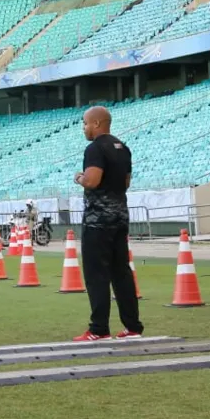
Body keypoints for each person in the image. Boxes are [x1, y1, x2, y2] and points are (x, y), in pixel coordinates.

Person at [73, 106, 143, 342]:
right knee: (121, 272)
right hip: (120, 217)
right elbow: (126, 183)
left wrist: (78, 178)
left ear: (96, 123)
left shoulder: (94, 148)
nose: (83, 128)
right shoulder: (123, 148)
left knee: (97, 274)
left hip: (98, 221)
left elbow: (92, 181)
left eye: (84, 123)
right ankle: (132, 327)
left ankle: (99, 328)